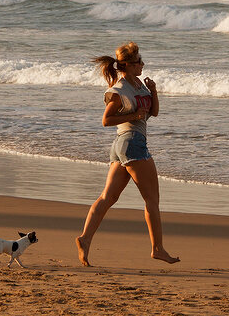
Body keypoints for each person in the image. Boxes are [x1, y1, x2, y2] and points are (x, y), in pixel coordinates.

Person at [76, 41, 180, 267]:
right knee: (152, 200)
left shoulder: (140, 86)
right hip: (131, 143)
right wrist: (132, 117)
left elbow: (153, 113)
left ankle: (85, 239)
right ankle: (158, 249)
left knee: (108, 197)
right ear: (129, 66)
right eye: (139, 62)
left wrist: (153, 91)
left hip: (124, 146)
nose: (143, 64)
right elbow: (106, 121)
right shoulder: (119, 89)